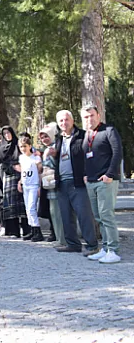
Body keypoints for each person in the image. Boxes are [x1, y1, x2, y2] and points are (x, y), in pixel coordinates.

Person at [51, 110, 98, 254]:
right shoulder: (58, 139)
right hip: (61, 182)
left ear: (72, 120)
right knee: (66, 215)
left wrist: (87, 174)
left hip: (78, 181)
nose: (64, 123)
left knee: (84, 215)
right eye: (61, 121)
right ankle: (72, 244)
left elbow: (91, 156)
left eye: (66, 120)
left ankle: (92, 245)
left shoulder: (82, 136)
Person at [81, 105, 123, 264]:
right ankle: (105, 248)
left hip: (106, 181)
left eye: (91, 115)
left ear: (98, 115)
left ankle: (114, 250)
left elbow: (117, 152)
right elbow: (86, 157)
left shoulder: (109, 130)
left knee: (107, 215)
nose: (89, 119)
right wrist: (85, 174)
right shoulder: (87, 135)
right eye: (85, 117)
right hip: (91, 182)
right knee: (98, 217)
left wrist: (110, 174)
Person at [0, 126, 30, 238]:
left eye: (9, 133)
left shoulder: (17, 145)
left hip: (20, 176)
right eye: (5, 133)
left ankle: (27, 230)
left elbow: (24, 157)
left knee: (22, 204)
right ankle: (13, 231)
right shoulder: (1, 148)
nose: (7, 135)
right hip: (7, 177)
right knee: (9, 204)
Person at [39, 123, 65, 245]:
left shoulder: (56, 147)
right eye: (42, 137)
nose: (44, 139)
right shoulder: (46, 149)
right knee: (53, 212)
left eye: (46, 136)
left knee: (58, 213)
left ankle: (62, 239)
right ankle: (58, 237)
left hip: (57, 183)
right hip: (48, 185)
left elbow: (57, 164)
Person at [17, 136, 44, 242]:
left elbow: (40, 172)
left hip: (34, 185)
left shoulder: (36, 158)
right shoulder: (21, 158)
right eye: (21, 146)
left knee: (32, 208)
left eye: (25, 146)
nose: (23, 149)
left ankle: (38, 231)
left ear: (29, 146)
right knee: (28, 209)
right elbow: (23, 171)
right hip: (26, 184)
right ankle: (32, 230)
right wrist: (20, 182)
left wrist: (39, 186)